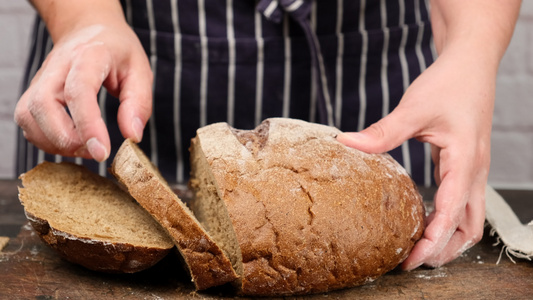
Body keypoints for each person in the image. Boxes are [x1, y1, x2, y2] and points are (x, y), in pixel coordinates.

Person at [14, 0, 521, 270]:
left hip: (379, 80)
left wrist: (473, 53)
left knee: (375, 231)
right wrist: (83, 17)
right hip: (127, 57)